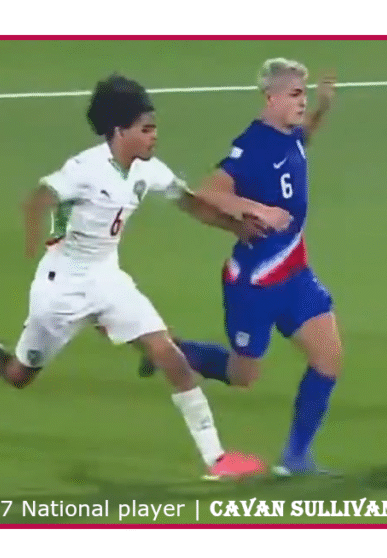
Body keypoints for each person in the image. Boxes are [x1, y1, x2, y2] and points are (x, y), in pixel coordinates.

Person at [0, 73, 276, 479]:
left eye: (154, 127)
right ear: (119, 132)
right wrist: (39, 239)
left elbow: (191, 205)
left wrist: (235, 226)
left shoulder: (147, 171)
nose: (154, 136)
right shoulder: (84, 169)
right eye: (146, 129)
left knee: (169, 354)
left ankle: (217, 458)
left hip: (108, 281)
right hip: (61, 290)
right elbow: (39, 198)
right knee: (18, 374)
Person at [139, 58, 341, 476]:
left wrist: (322, 108)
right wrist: (258, 209)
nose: (301, 101)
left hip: (295, 275)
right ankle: (173, 352)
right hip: (254, 285)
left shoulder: (289, 136)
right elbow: (210, 191)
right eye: (295, 95)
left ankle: (295, 458)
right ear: (271, 98)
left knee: (329, 358)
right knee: (244, 374)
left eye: (303, 93)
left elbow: (304, 142)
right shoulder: (251, 146)